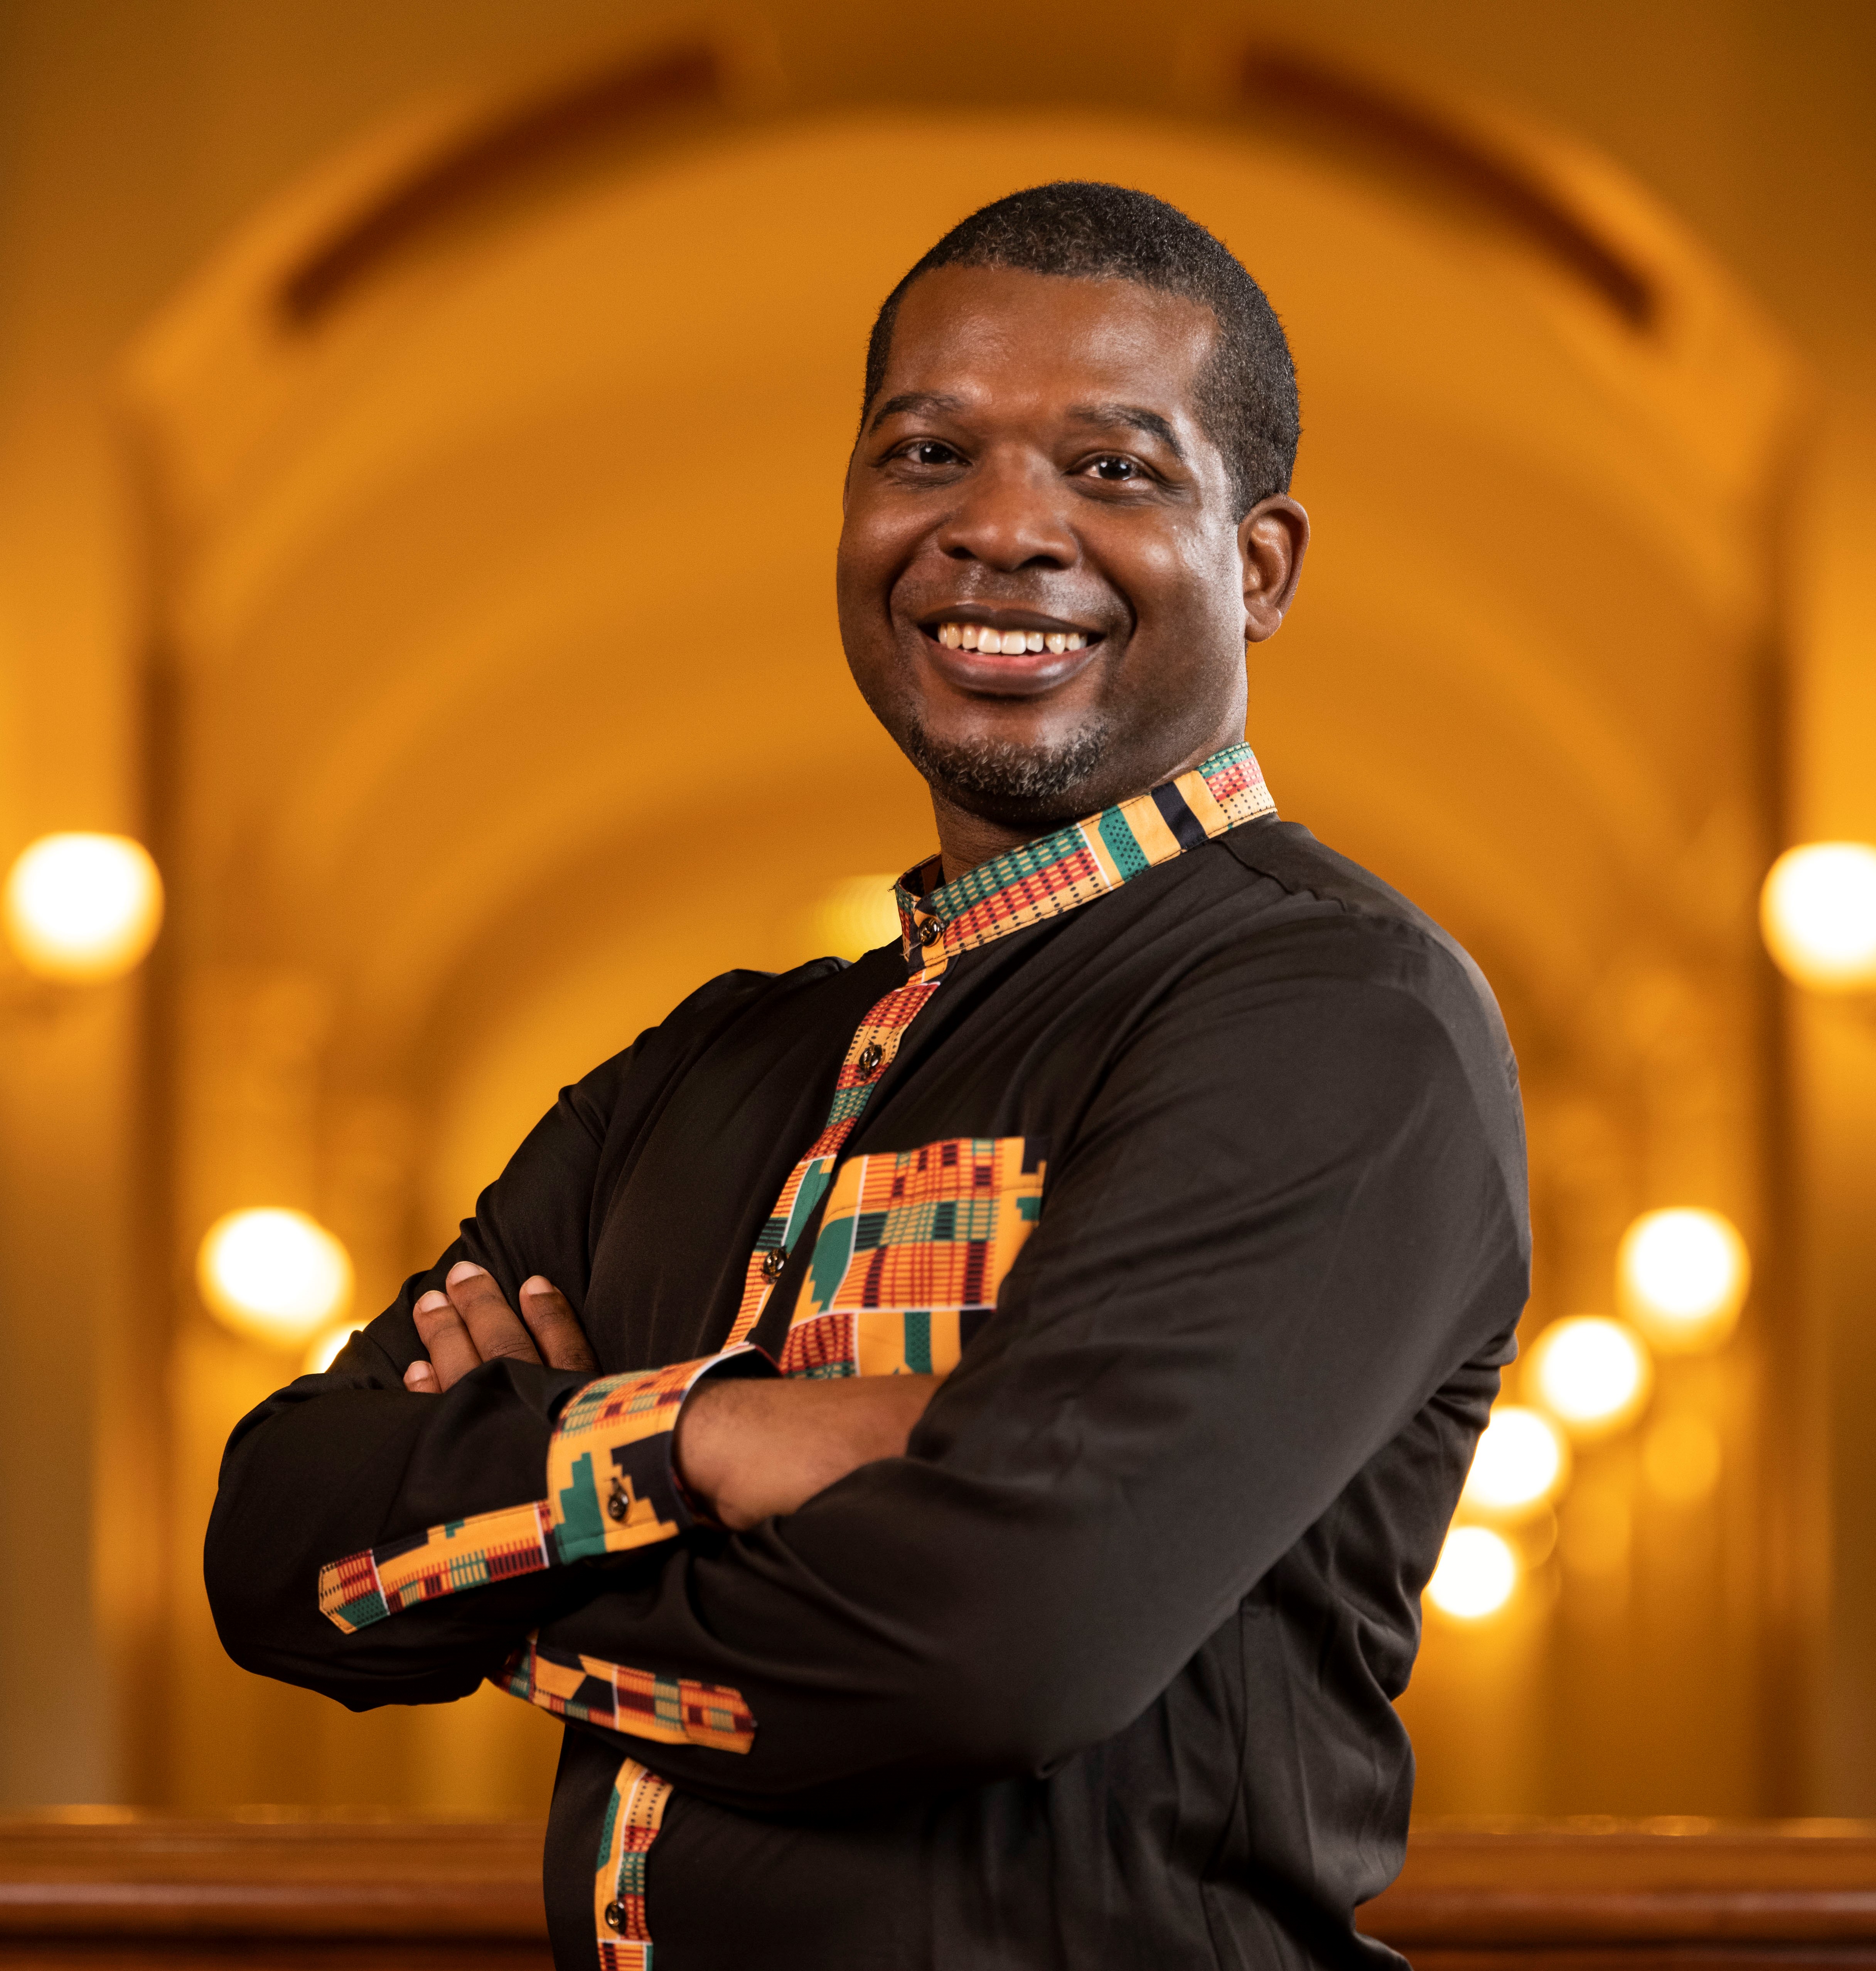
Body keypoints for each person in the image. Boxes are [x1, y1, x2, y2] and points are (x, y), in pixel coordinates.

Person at [207, 180, 1529, 1971]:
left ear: (1260, 564)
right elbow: (276, 1543)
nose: (998, 531)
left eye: (1113, 471)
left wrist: (504, 1551)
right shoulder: (703, 1063)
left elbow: (995, 1654)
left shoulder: (1333, 1017)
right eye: (925, 454)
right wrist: (710, 1434)